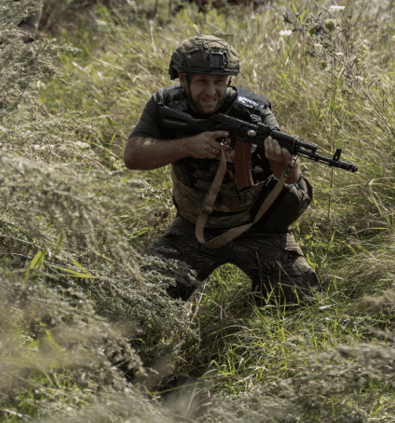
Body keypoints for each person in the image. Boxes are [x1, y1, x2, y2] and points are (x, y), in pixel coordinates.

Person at [123, 35, 319, 305]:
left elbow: (292, 176)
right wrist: (189, 146)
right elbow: (133, 156)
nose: (212, 91)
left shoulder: (254, 111)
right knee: (139, 302)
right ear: (183, 79)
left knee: (302, 300)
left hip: (258, 227)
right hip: (192, 228)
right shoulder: (165, 105)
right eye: (202, 81)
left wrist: (283, 163)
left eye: (219, 82)